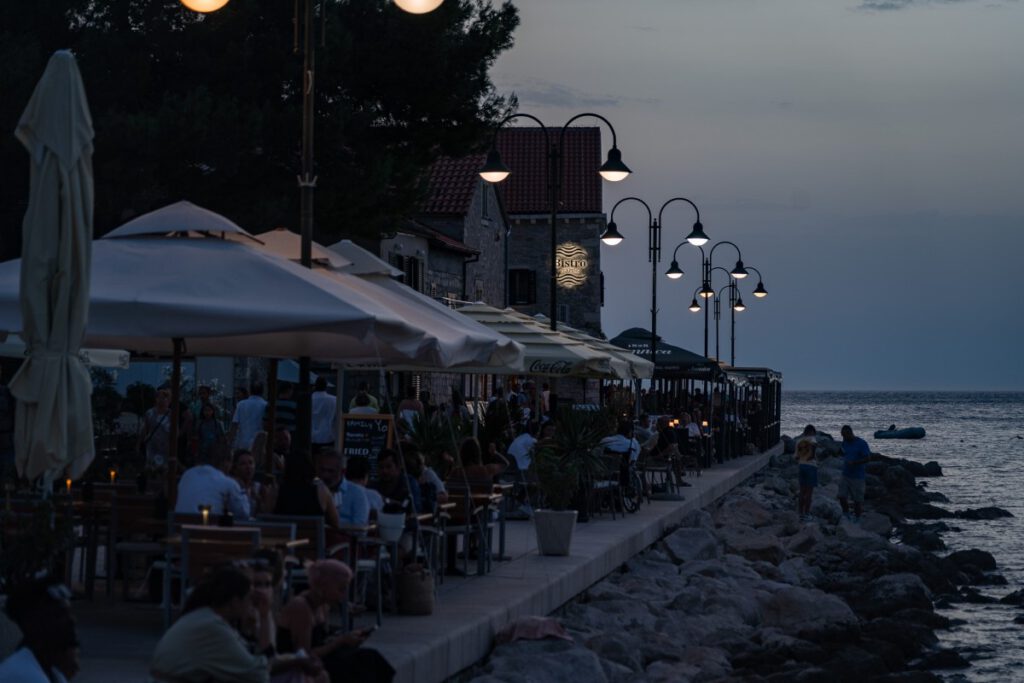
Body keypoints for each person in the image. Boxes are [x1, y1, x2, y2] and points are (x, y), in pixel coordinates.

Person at [150, 565, 322, 683]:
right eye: (248, 598)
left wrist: (264, 615)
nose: (251, 603)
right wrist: (296, 662)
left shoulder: (206, 618)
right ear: (234, 602)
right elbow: (257, 674)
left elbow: (263, 657)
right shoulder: (212, 627)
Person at [277, 560, 395, 683]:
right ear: (323, 585)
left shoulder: (323, 606)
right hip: (296, 665)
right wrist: (340, 641)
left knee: (371, 658)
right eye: (340, 589)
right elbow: (304, 655)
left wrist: (347, 639)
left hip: (318, 659)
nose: (343, 596)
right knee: (363, 663)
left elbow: (322, 641)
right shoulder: (301, 607)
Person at [0, 577, 79, 683]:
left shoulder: (50, 671)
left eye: (69, 613)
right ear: (33, 623)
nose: (72, 620)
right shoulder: (25, 675)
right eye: (59, 615)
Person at [175, 447, 254, 519]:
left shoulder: (187, 474)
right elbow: (244, 513)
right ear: (226, 463)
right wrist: (243, 489)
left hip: (179, 530)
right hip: (207, 532)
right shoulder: (228, 482)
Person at [275, 452, 340, 530]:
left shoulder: (276, 490)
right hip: (314, 540)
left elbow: (264, 518)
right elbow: (335, 523)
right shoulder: (322, 491)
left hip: (281, 539)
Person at [315, 450, 369, 526]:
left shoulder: (357, 493)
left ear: (343, 471)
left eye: (330, 471)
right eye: (322, 470)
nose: (325, 475)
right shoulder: (312, 489)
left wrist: (333, 524)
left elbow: (360, 528)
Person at [838, 425, 871, 521]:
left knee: (857, 500)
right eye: (842, 436)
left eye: (844, 435)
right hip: (845, 474)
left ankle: (858, 518)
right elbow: (843, 452)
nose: (843, 438)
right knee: (841, 496)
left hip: (858, 476)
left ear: (850, 433)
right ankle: (846, 514)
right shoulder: (845, 442)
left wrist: (855, 462)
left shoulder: (861, 443)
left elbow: (868, 458)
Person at [138, 388, 173, 469]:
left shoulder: (171, 414)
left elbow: (175, 431)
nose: (161, 400)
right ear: (156, 399)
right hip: (152, 446)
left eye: (164, 398)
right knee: (151, 468)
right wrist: (139, 443)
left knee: (164, 469)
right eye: (159, 397)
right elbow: (144, 428)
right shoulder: (149, 413)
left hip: (166, 447)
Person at [234, 449, 274, 516]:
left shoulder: (260, 488)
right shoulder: (232, 486)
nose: (248, 467)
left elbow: (266, 514)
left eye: (251, 463)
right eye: (243, 464)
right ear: (235, 468)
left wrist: (258, 499)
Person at [230, 383, 268, 451]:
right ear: (262, 391)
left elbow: (234, 424)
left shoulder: (241, 404)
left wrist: (230, 441)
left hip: (242, 442)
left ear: (250, 391)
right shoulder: (265, 405)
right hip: (259, 443)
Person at [795, 425, 818, 520]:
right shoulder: (813, 440)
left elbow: (796, 456)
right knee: (809, 492)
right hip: (811, 466)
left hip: (801, 465)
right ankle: (807, 513)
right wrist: (811, 458)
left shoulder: (799, 441)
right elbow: (812, 453)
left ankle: (800, 513)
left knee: (802, 491)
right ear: (812, 432)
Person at [311, 378, 337, 449]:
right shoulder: (334, 400)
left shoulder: (308, 399)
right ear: (326, 386)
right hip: (328, 437)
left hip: (311, 438)